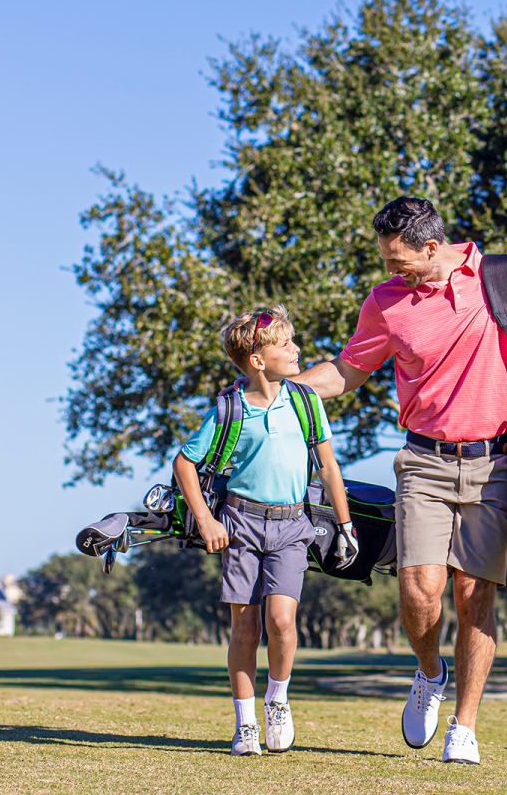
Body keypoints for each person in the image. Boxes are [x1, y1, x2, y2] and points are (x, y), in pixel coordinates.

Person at [292, 196, 507, 766]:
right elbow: (347, 371)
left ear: (433, 247)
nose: (389, 269)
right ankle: (429, 672)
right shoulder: (386, 304)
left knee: (474, 593)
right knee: (419, 589)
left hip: (497, 463)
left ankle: (465, 726)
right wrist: (284, 393)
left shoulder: (503, 278)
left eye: (398, 259)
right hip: (424, 462)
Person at [173, 306, 359, 756]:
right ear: (258, 359)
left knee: (282, 622)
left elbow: (329, 466)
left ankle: (277, 700)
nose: (296, 350)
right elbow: (184, 463)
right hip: (240, 526)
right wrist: (206, 519)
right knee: (245, 628)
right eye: (285, 344)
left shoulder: (305, 401)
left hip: (293, 525)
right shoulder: (228, 409)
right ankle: (246, 724)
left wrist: (346, 525)